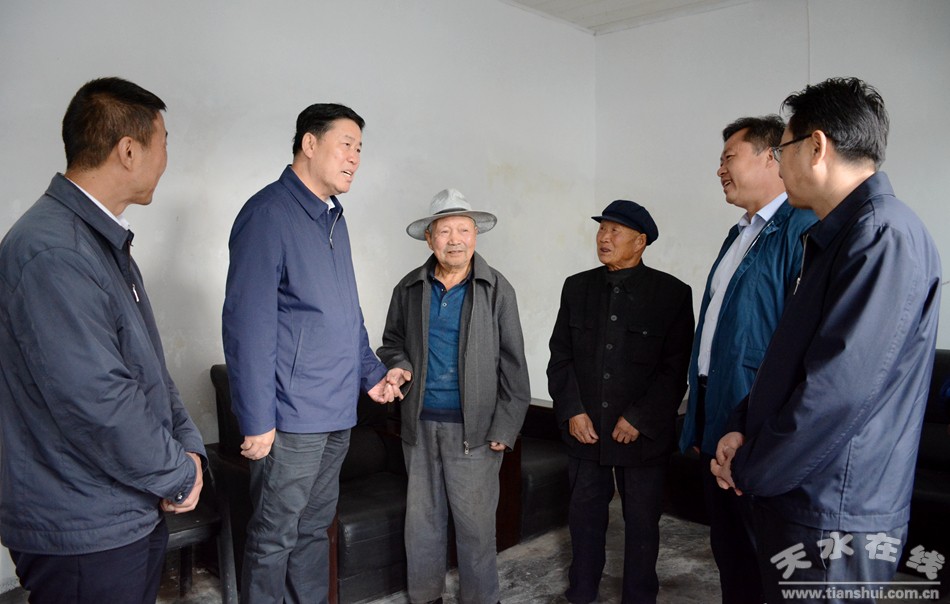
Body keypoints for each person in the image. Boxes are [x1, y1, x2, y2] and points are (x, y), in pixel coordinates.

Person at [712, 77, 942, 603]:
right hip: (808, 496)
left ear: (816, 147)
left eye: (782, 150)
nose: (779, 165)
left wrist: (752, 468)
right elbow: (792, 358)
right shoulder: (841, 234)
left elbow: (837, 390)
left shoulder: (881, 236)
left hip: (833, 510)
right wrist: (742, 425)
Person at [0, 77, 205, 604]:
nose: (166, 160)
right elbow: (97, 400)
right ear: (129, 150)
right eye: (164, 143)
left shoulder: (100, 241)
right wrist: (177, 473)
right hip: (82, 524)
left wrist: (188, 449)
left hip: (124, 508)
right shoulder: (55, 252)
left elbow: (149, 369)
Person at [222, 103, 398, 603]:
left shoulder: (333, 218)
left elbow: (346, 312)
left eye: (360, 148)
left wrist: (371, 374)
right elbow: (246, 325)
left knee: (314, 529)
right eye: (347, 144)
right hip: (291, 417)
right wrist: (257, 419)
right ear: (310, 143)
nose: (356, 158)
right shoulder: (268, 214)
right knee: (274, 536)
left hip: (337, 410)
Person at [678, 115, 816, 603]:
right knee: (729, 546)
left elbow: (801, 345)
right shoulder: (739, 233)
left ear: (771, 157)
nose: (720, 170)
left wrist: (760, 425)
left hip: (757, 420)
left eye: (728, 158)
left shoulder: (801, 229)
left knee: (766, 554)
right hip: (717, 408)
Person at [377, 188, 531, 604]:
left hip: (475, 430)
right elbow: (391, 342)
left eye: (463, 230)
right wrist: (399, 363)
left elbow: (514, 364)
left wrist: (505, 427)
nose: (455, 240)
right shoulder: (409, 288)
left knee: (475, 527)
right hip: (419, 425)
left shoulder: (497, 289)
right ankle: (426, 597)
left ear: (476, 235)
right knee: (422, 523)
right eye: (445, 231)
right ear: (430, 238)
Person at [548, 200, 694, 604]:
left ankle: (639, 596)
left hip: (641, 435)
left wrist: (640, 418)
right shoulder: (577, 287)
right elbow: (560, 358)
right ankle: (581, 592)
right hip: (586, 430)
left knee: (642, 523)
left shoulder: (672, 294)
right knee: (584, 519)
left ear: (640, 241)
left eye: (615, 231)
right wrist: (573, 411)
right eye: (601, 229)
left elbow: (674, 369)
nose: (604, 237)